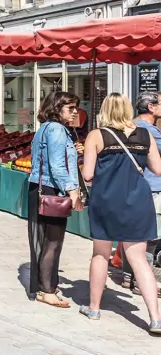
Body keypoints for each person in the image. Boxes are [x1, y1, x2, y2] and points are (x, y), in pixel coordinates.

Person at [79, 93, 161, 332]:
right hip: (138, 201)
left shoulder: (96, 135)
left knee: (100, 254)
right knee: (139, 260)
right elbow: (157, 169)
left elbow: (88, 174)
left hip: (106, 201)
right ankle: (155, 318)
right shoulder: (145, 134)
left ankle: (94, 308)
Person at [27, 91, 83, 308]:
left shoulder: (46, 128)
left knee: (46, 240)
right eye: (70, 108)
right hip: (53, 189)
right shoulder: (58, 130)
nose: (75, 112)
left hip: (40, 186)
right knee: (53, 242)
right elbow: (57, 166)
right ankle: (46, 289)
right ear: (57, 108)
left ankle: (46, 284)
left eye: (75, 108)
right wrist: (72, 191)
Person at [124, 91, 161, 294]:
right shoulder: (151, 131)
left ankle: (129, 276)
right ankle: (143, 281)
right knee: (150, 236)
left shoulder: (129, 125)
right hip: (152, 187)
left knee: (131, 233)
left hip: (133, 187)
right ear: (151, 107)